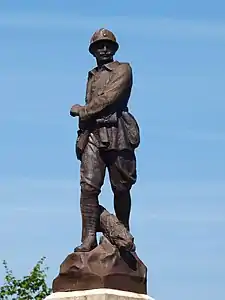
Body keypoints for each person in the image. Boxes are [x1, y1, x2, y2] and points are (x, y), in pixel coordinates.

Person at [70, 28, 140, 252]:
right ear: (92, 50)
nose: (103, 49)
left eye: (108, 45)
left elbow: (109, 98)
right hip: (93, 133)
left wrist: (83, 111)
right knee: (88, 187)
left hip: (117, 131)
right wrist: (82, 132)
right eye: (99, 45)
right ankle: (88, 237)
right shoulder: (92, 75)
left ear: (114, 48)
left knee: (121, 187)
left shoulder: (123, 69)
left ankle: (122, 230)